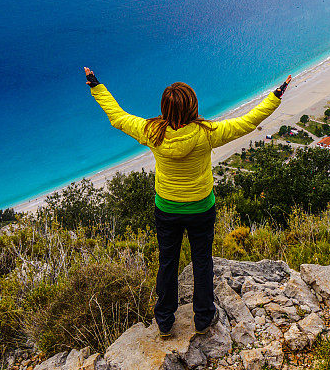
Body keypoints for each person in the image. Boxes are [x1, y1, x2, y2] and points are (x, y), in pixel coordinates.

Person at [84, 66, 291, 338]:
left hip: (167, 208)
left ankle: (165, 321)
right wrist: (276, 95)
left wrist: (95, 85)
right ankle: (203, 317)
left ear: (164, 109)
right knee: (202, 261)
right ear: (193, 106)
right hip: (201, 208)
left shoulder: (151, 132)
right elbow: (249, 121)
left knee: (167, 261)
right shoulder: (207, 133)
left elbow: (117, 116)